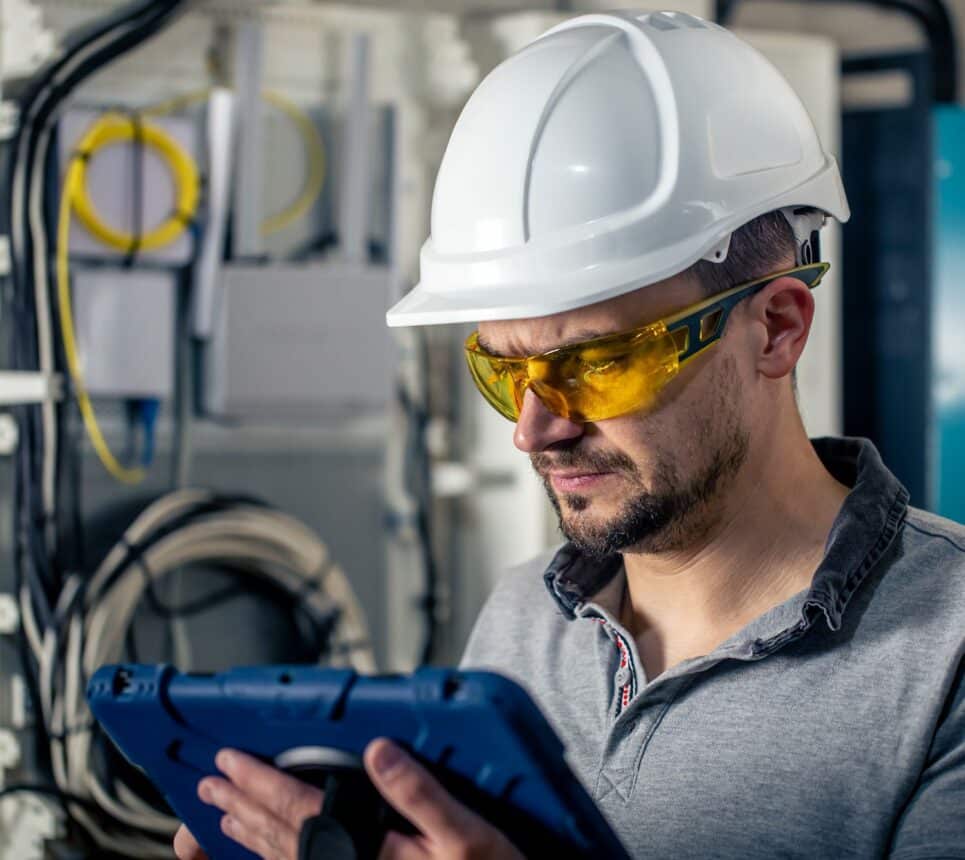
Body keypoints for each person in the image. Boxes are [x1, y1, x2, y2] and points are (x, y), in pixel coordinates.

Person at [175, 10, 965, 859]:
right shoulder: (524, 620)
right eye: (505, 371)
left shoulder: (945, 656)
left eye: (596, 363)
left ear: (774, 327)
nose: (533, 430)